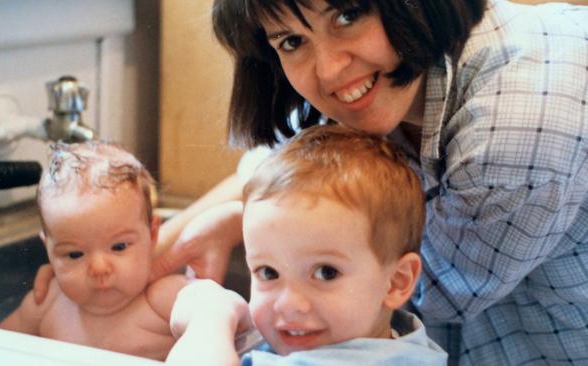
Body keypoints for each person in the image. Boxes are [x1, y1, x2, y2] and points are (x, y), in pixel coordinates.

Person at [35, 0, 588, 364]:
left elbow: (425, 290)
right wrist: (128, 258)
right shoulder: (365, 82)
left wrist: (214, 317)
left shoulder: (523, 111)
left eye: (348, 13)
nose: (327, 71)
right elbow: (270, 172)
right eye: (291, 41)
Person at [166, 124, 446, 366]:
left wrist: (210, 317)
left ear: (396, 282)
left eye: (326, 272)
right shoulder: (402, 346)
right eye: (268, 273)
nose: (289, 305)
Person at [0, 141, 187, 361]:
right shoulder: (46, 303)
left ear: (153, 234)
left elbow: (217, 309)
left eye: (118, 247)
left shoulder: (163, 298)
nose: (98, 269)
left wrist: (207, 334)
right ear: (48, 250)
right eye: (74, 254)